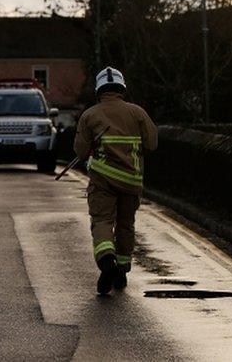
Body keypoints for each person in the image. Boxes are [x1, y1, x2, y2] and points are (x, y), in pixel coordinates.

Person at [75, 67, 158, 295]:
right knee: (125, 224)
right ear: (122, 88)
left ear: (99, 90)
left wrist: (92, 144)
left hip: (103, 180)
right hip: (132, 180)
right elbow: (152, 143)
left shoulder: (90, 115)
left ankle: (106, 260)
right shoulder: (138, 113)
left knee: (102, 220)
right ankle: (121, 270)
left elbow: (80, 152)